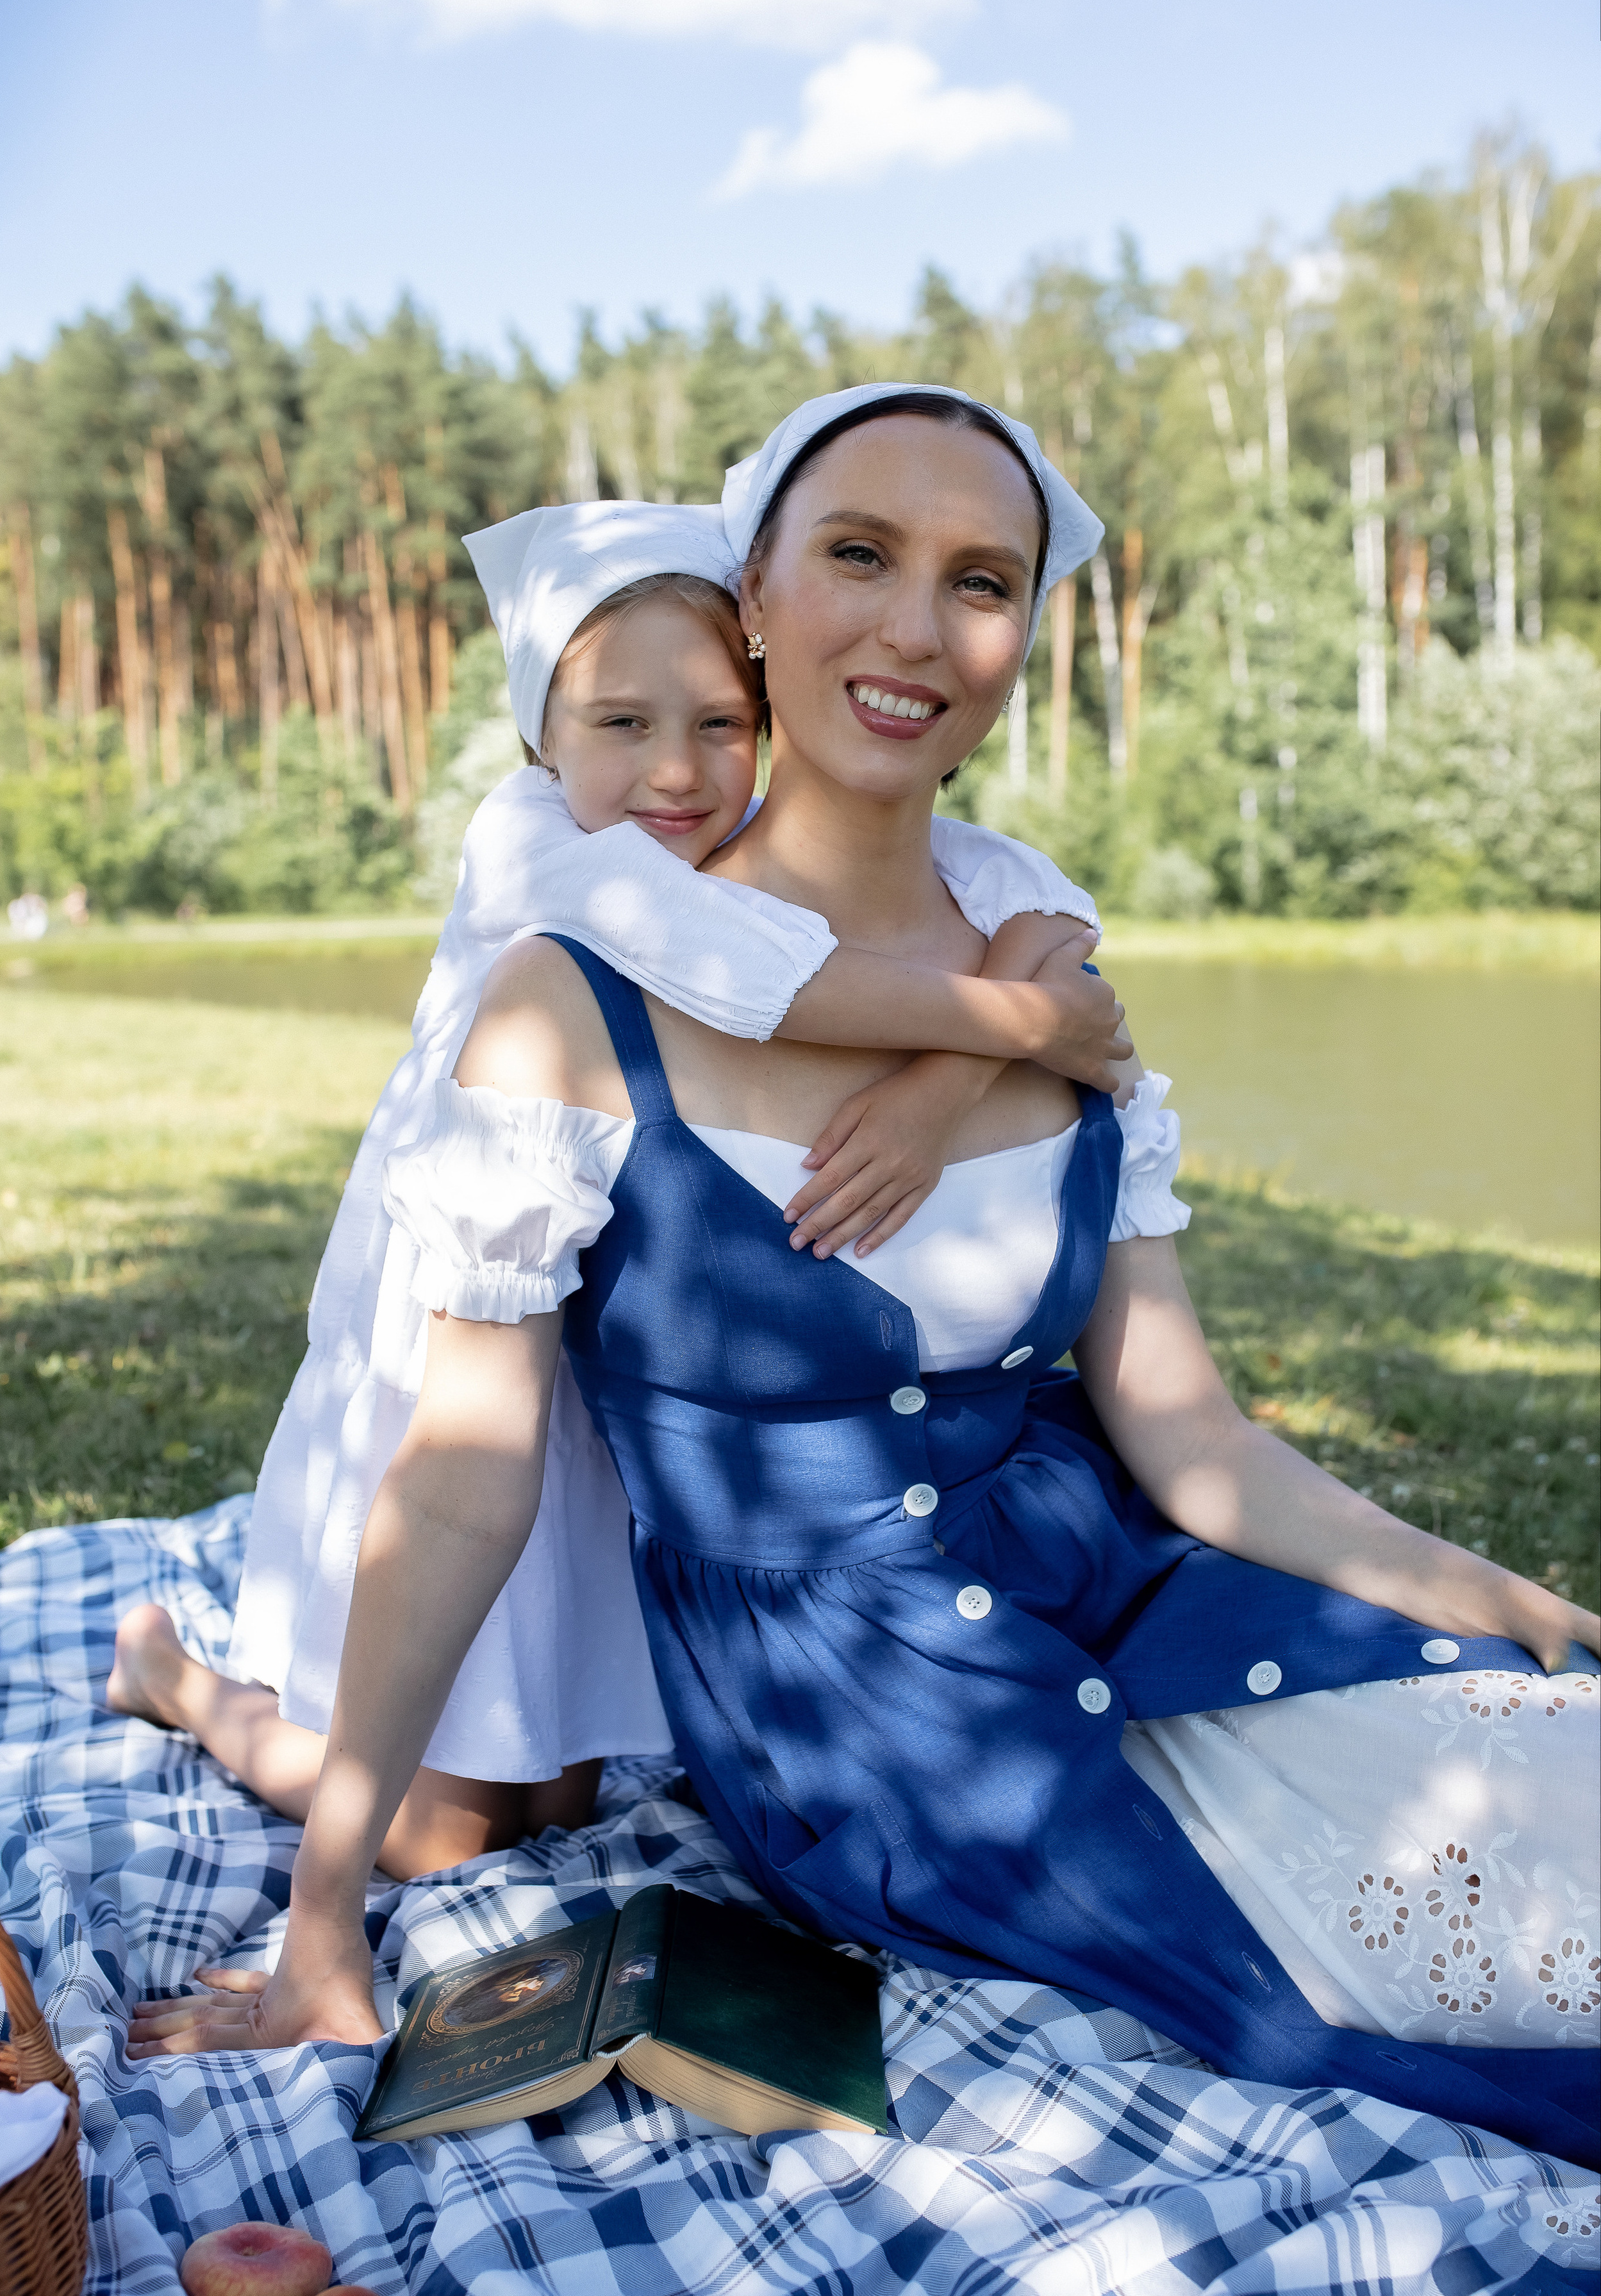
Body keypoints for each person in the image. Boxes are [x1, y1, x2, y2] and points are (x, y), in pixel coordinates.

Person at [126, 387, 1598, 2170]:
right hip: (878, 1723)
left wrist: (1473, 1586)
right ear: (752, 592)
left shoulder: (1048, 967)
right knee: (1451, 1964)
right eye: (858, 555)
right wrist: (323, 1915)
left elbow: (1192, 1436)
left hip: (1133, 1587)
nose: (915, 626)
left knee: (1539, 1756)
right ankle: (200, 1689)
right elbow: (460, 1478)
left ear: (1023, 641)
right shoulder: (573, 997)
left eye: (980, 581)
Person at [112, 494, 1129, 1876]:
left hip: (628, 1345)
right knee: (448, 1833)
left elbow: (1042, 912)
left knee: (565, 1789)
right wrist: (1009, 1033)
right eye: (621, 724)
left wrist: (937, 1097)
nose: (676, 772)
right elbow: (748, 977)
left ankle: (524, 1751)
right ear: (542, 737)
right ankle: (185, 1688)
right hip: (466, 1316)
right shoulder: (549, 850)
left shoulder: (748, 847)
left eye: (718, 722)